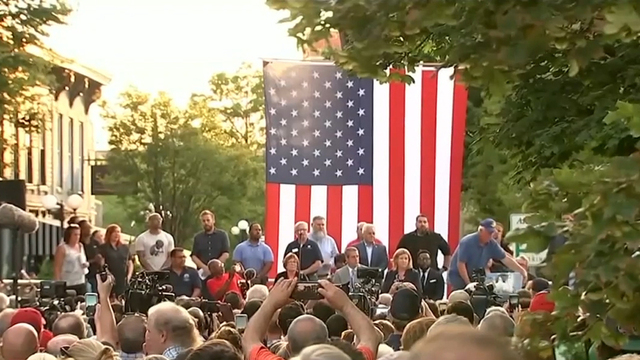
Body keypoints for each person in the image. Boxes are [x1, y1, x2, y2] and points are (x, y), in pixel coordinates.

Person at [447, 219, 528, 291]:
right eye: (489, 232)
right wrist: (468, 283)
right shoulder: (467, 242)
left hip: (475, 275)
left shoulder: (491, 244)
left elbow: (505, 258)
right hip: (458, 276)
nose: (491, 235)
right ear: (481, 230)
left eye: (492, 232)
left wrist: (521, 270)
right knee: (462, 296)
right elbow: (461, 264)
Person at [191, 210, 230, 279]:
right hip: (203, 274)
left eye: (208, 220)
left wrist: (215, 266)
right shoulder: (198, 237)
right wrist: (205, 268)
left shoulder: (222, 235)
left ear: (213, 220)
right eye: (203, 221)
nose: (206, 223)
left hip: (219, 273)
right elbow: (194, 256)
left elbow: (226, 253)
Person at [99, 224, 134, 296]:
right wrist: (109, 275)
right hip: (110, 279)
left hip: (123, 279)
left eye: (118, 232)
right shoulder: (103, 248)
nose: (116, 234)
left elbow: (130, 263)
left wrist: (129, 276)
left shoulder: (124, 247)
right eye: (114, 232)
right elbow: (102, 264)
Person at [53, 224, 88, 295]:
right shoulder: (62, 248)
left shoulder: (80, 246)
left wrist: (85, 264)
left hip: (81, 280)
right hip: (68, 282)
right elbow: (57, 267)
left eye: (79, 235)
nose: (77, 237)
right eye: (75, 235)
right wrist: (58, 283)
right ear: (69, 235)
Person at [79, 220, 103, 293]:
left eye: (89, 227)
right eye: (87, 227)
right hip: (85, 276)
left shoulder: (95, 242)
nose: (90, 228)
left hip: (97, 275)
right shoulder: (79, 244)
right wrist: (93, 260)